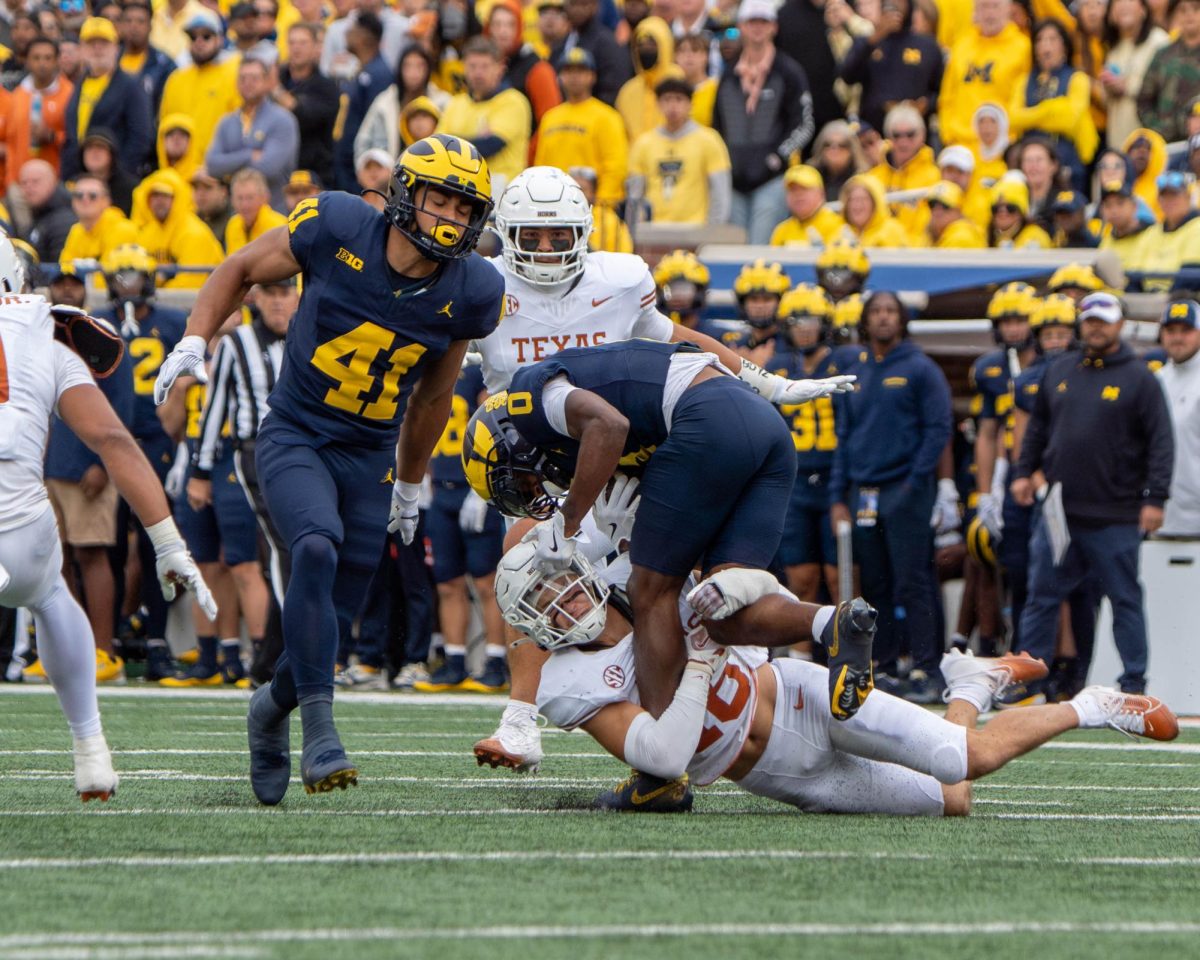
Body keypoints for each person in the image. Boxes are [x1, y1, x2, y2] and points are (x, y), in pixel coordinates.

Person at [467, 165, 856, 780]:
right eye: (533, 237)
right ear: (507, 234)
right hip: (540, 465)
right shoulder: (480, 288)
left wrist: (766, 382)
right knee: (524, 564)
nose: (545, 249)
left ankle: (747, 691)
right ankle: (521, 720)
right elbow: (433, 366)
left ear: (585, 232)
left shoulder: (618, 281)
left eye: (559, 235)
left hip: (636, 462)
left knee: (686, 589)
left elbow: (676, 339)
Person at [153, 134, 505, 804]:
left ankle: (268, 711)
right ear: (405, 194)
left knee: (332, 626)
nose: (453, 219)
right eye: (441, 201)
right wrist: (196, 336)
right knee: (313, 545)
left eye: (466, 208)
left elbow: (433, 396)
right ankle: (320, 732)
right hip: (297, 435)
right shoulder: (339, 224)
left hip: (370, 454)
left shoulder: (472, 289)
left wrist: (408, 481)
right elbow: (239, 269)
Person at [493, 536, 1178, 819]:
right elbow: (667, 757)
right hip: (776, 773)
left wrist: (728, 594)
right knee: (956, 798)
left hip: (803, 697)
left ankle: (1093, 704)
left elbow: (756, 588)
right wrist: (700, 658)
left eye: (567, 589)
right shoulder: (568, 682)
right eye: (546, 604)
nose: (567, 605)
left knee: (966, 756)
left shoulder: (641, 585)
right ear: (532, 625)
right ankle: (971, 683)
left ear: (584, 574)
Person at [462, 336, 858, 727]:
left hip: (707, 415)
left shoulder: (528, 398)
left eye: (525, 485)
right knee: (720, 604)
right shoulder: (616, 442)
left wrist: (567, 523)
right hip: (763, 428)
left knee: (649, 592)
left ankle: (662, 748)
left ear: (516, 445)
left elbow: (609, 424)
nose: (538, 494)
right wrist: (621, 534)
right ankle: (834, 624)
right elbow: (678, 537)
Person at [0, 235, 214, 801]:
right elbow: (114, 440)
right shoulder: (48, 335)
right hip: (24, 537)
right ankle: (91, 750)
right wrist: (168, 544)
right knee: (49, 596)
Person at [1012, 291, 1174, 695]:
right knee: (1042, 597)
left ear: (1120, 324)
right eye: (1089, 319)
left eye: (1104, 319)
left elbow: (1161, 443)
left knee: (1124, 599)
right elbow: (1037, 429)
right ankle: (1031, 679)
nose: (1096, 326)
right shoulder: (1060, 369)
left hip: (1116, 513)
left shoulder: (1140, 377)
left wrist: (1156, 499)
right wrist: (1022, 472)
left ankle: (1134, 682)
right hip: (1061, 511)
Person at [829, 290, 953, 702]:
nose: (883, 319)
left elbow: (938, 429)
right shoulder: (854, 368)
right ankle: (882, 667)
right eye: (876, 312)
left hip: (905, 490)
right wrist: (838, 496)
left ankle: (926, 668)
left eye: (891, 312)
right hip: (862, 492)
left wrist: (915, 481)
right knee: (876, 585)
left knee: (913, 581)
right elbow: (843, 436)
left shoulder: (921, 369)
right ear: (865, 320)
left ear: (902, 320)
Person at [93, 243, 190, 681]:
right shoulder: (98, 325)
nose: (129, 286)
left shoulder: (170, 322)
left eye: (135, 276)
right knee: (107, 546)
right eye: (122, 277)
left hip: (155, 442)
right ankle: (107, 639)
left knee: (157, 542)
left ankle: (156, 638)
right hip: (109, 441)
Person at [412, 360, 509, 693]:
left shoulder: (482, 368)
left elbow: (496, 423)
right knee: (447, 582)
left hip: (475, 489)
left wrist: (485, 489)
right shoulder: (428, 366)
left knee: (486, 581)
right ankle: (454, 662)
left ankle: (495, 662)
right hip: (440, 488)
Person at [712, 0, 815, 245]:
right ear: (741, 26)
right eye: (752, 21)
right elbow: (717, 126)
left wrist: (777, 157)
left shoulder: (789, 71)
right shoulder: (729, 74)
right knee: (732, 251)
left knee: (761, 249)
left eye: (764, 21)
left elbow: (804, 123)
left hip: (771, 179)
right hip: (733, 180)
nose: (758, 27)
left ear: (774, 27)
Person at [769, 283, 842, 604]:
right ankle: (802, 649)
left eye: (811, 321)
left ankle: (848, 650)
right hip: (795, 480)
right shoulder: (777, 368)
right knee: (800, 577)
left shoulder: (846, 363)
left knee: (841, 575)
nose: (804, 330)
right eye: (797, 322)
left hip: (834, 478)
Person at [627, 75, 731, 225]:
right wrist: (637, 232)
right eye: (667, 99)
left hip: (695, 229)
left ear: (690, 104)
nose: (673, 106)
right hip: (655, 231)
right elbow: (635, 195)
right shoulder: (643, 144)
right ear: (658, 104)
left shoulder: (709, 140)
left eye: (679, 99)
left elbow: (720, 193)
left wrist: (711, 232)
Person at [1009, 19, 1098, 191]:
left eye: (1052, 39)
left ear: (1064, 46)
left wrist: (1032, 114)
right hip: (1030, 161)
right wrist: (1052, 109)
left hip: (1067, 159)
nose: (1045, 46)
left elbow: (1070, 119)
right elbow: (1013, 118)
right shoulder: (1023, 81)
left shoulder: (1078, 78)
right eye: (1040, 40)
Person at [534, 47, 628, 206]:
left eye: (581, 71)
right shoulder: (550, 118)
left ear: (592, 76)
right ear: (560, 76)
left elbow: (615, 167)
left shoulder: (607, 117)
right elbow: (540, 166)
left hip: (592, 205)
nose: (574, 77)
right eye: (568, 71)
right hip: (553, 205)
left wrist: (602, 205)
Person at [62, 17, 151, 181]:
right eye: (91, 43)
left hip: (113, 181)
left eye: (104, 43)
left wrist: (117, 176)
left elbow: (140, 138)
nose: (97, 48)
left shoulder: (131, 86)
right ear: (81, 49)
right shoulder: (78, 84)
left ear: (116, 48)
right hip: (79, 178)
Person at [206, 57, 300, 211]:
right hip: (236, 216)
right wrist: (249, 155)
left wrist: (229, 165)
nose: (248, 83)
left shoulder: (283, 120)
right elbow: (212, 165)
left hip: (275, 212)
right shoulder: (227, 122)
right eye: (243, 78)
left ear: (267, 81)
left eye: (254, 78)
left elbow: (269, 167)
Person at [436, 36, 532, 187]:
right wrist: (475, 140)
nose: (478, 73)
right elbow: (438, 146)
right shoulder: (456, 102)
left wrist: (454, 141)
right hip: (462, 188)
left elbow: (490, 146)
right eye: (472, 66)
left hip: (502, 191)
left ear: (500, 68)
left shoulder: (513, 101)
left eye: (485, 66)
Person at [157, 10, 242, 177]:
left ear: (220, 38)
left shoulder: (234, 73)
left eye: (206, 36)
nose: (199, 42)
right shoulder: (176, 79)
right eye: (193, 37)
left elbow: (239, 125)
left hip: (218, 173)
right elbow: (164, 128)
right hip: (179, 175)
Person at [938, 0, 1031, 152]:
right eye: (983, 6)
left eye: (995, 6)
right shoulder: (961, 46)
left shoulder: (1023, 47)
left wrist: (1011, 140)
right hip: (959, 144)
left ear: (1008, 9)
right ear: (975, 11)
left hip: (1002, 146)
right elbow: (947, 97)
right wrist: (947, 134)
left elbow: (1024, 99)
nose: (989, 13)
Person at [838, 0, 943, 133]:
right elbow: (847, 76)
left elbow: (942, 90)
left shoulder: (927, 45)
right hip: (873, 133)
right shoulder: (868, 41)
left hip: (914, 134)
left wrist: (927, 104)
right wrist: (875, 37)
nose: (893, 4)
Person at [275, 22, 340, 189]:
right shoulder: (279, 78)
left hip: (315, 175)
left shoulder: (327, 86)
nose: (297, 48)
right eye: (292, 43)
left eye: (303, 43)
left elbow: (306, 116)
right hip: (279, 172)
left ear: (316, 47)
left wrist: (275, 92)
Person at [1156, 299, 1200, 536]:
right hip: (1160, 516)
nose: (1177, 338)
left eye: (1186, 330)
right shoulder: (1155, 380)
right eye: (1171, 330)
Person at [4, 36, 74, 186]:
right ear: (27, 61)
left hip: (55, 182)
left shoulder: (70, 94)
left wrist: (50, 136)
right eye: (36, 58)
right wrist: (10, 180)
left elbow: (75, 140)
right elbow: (10, 141)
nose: (42, 63)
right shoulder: (17, 95)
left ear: (57, 61)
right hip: (19, 182)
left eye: (48, 58)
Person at [137, 172, 226, 288]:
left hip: (208, 301)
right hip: (164, 299)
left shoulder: (193, 233)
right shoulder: (147, 233)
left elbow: (190, 284)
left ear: (177, 198)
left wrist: (154, 292)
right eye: (154, 196)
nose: (159, 201)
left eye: (165, 196)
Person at [1102, 0, 1170, 149]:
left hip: (1150, 142)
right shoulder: (1114, 48)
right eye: (1117, 2)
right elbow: (1106, 101)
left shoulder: (1160, 41)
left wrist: (1127, 86)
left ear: (1144, 9)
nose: (1123, 5)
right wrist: (1107, 88)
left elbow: (1168, 89)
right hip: (1118, 142)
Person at [866, 103, 940, 238]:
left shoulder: (935, 176)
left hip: (918, 252)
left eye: (910, 134)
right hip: (879, 249)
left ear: (922, 135)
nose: (903, 141)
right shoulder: (873, 177)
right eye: (897, 135)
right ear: (888, 137)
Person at [1137, 0, 1200, 143]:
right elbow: (1143, 100)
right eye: (1183, 10)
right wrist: (1158, 128)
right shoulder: (1163, 54)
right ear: (1175, 16)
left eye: (1196, 9)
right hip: (1166, 143)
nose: (1189, 15)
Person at [614, 16, 677, 144]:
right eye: (640, 45)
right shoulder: (628, 91)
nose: (645, 50)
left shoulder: (679, 83)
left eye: (652, 45)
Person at [57, 175, 139, 271]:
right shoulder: (76, 230)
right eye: (79, 195)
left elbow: (109, 277)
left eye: (92, 196)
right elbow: (64, 270)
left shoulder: (123, 230)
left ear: (106, 201)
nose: (85, 200)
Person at [562, 0, 631, 106]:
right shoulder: (565, 40)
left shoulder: (607, 43)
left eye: (583, 4)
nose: (577, 10)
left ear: (595, 7)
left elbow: (613, 88)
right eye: (573, 4)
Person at [117, 0, 176, 118]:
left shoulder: (164, 65)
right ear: (121, 26)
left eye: (141, 21)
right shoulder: (111, 60)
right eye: (128, 21)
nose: (134, 26)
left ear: (150, 26)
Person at [768, 165, 845, 246]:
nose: (798, 195)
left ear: (821, 193)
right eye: (793, 190)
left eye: (804, 189)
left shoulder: (837, 226)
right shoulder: (781, 230)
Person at [18, 159, 75, 263]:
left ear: (53, 181)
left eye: (35, 181)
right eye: (24, 183)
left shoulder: (63, 221)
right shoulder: (39, 215)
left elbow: (60, 271)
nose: (28, 187)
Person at [225, 168, 288, 255]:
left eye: (250, 198)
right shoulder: (232, 225)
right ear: (232, 200)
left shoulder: (278, 226)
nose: (244, 205)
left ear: (264, 197)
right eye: (239, 198)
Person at [836, 174, 910, 247]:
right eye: (852, 200)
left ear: (876, 203)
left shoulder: (892, 231)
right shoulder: (841, 233)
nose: (857, 205)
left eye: (863, 199)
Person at [988, 179, 1053, 248]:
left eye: (1010, 208)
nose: (1002, 212)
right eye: (996, 208)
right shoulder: (988, 236)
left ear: (1021, 212)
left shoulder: (1035, 236)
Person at [923, 181, 987, 247]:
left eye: (945, 206)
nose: (937, 211)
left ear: (958, 210)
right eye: (932, 205)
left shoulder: (961, 236)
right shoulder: (938, 233)